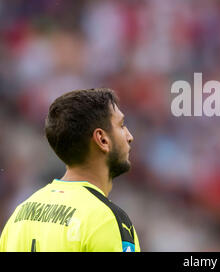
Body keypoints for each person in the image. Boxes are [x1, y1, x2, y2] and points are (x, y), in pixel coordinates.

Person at [0, 88, 140, 252]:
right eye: (121, 125)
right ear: (102, 139)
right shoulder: (105, 219)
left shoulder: (20, 214)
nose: (130, 136)